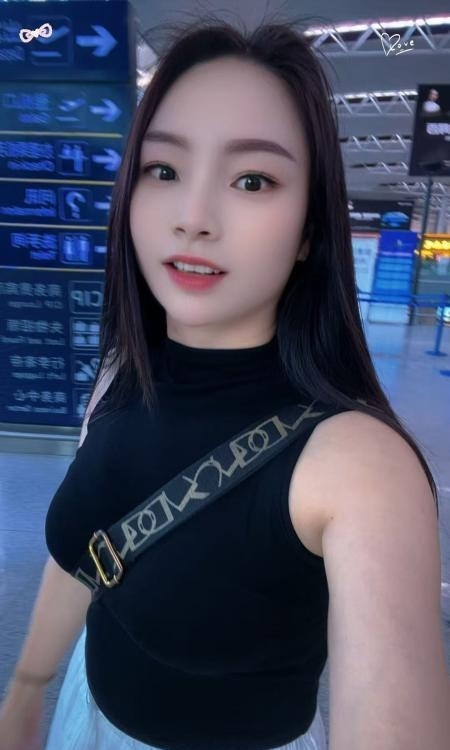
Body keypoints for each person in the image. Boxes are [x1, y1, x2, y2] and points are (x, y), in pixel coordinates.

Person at [1, 12, 449, 750]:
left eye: (252, 180)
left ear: (309, 231)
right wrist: (27, 686)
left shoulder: (357, 466)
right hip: (83, 711)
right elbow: (89, 551)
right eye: (164, 170)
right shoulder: (120, 378)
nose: (193, 217)